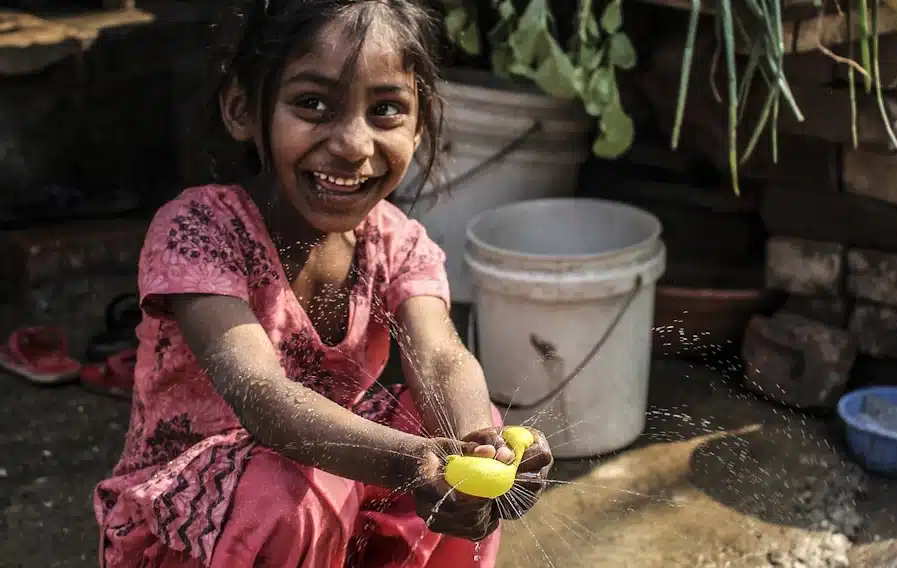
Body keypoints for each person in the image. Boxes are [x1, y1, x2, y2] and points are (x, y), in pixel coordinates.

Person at [92, 1, 554, 566]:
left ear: (420, 122)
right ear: (241, 109)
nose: (354, 145)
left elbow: (440, 360)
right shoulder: (201, 232)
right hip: (186, 533)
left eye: (385, 110)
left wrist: (483, 455)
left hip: (325, 497)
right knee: (294, 488)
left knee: (456, 427)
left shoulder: (398, 243)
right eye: (312, 104)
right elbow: (264, 398)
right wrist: (417, 464)